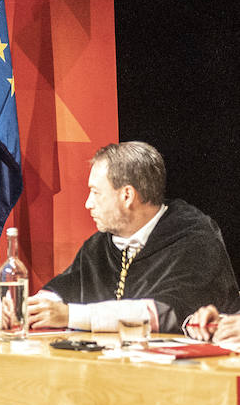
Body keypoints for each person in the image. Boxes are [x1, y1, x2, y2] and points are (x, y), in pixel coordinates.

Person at [25, 142, 239, 333]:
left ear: (127, 195)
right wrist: (32, 308)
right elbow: (67, 287)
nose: (88, 203)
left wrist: (70, 315)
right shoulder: (99, 245)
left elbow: (165, 312)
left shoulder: (195, 239)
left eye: (96, 192)